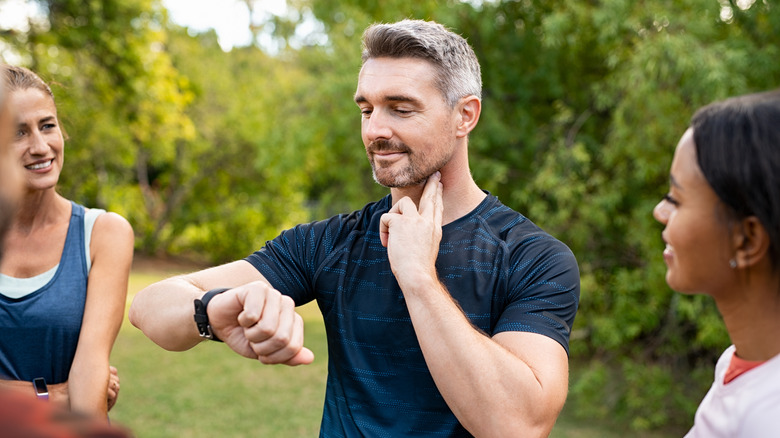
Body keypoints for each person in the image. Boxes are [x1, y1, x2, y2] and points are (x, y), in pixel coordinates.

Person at [130, 19, 580, 437]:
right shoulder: (329, 243)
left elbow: (517, 424)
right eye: (367, 109)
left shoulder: (533, 257)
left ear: (465, 115)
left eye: (400, 109)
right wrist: (213, 310)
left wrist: (419, 278)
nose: (375, 130)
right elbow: (150, 307)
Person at [0, 65, 134, 420]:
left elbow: (90, 372)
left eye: (47, 125)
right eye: (18, 133)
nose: (40, 147)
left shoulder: (104, 234)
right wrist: (47, 396)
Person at [653, 89, 780, 437]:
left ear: (748, 240)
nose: (659, 212)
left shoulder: (768, 420)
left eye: (676, 200)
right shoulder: (737, 363)